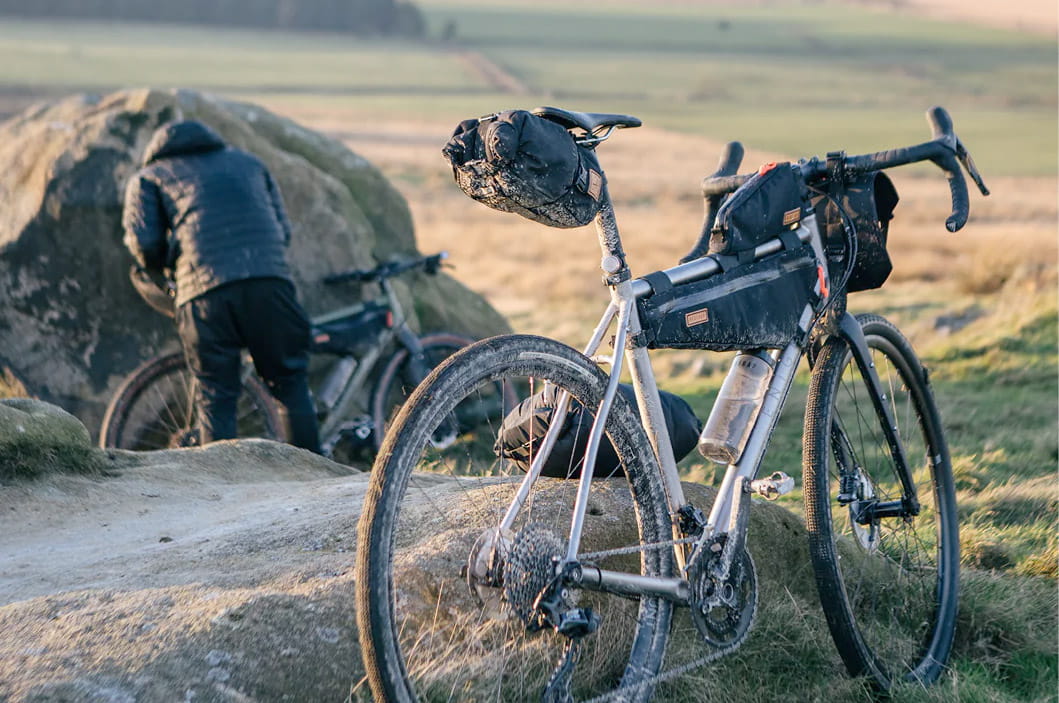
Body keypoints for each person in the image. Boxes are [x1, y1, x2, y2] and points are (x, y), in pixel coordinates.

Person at [122, 119, 321, 453]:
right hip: (270, 282)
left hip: (203, 292)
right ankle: (316, 479)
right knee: (290, 383)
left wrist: (165, 269)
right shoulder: (249, 163)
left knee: (216, 395)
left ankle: (224, 493)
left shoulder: (149, 177)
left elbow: (144, 243)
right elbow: (282, 231)